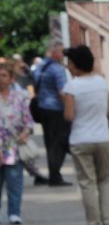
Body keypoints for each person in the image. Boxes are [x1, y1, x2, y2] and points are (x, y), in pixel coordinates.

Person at [61, 44, 109, 225]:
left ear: (76, 65)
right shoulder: (102, 82)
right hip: (103, 137)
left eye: (70, 63)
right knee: (105, 180)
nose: (68, 66)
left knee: (87, 183)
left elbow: (69, 115)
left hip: (80, 139)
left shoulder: (72, 87)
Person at [31, 39, 70, 185]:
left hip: (43, 108)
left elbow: (35, 84)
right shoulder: (57, 69)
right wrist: (70, 109)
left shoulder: (40, 66)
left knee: (49, 142)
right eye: (62, 51)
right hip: (56, 110)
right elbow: (62, 92)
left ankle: (53, 173)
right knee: (58, 143)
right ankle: (55, 176)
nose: (64, 54)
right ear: (55, 52)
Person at [0, 61, 30, 223]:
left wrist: (26, 133)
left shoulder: (20, 97)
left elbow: (28, 121)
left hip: (13, 145)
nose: (0, 79)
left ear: (11, 78)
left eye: (4, 75)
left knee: (14, 181)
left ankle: (14, 213)